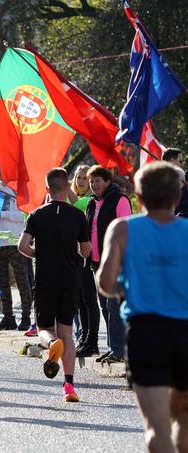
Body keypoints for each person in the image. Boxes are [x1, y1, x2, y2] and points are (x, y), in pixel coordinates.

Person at [97, 162, 188, 452]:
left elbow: (107, 283)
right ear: (177, 196)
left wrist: (130, 285)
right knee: (185, 418)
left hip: (146, 330)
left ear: (138, 195)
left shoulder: (123, 228)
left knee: (156, 426)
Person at [18, 168, 91, 403]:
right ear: (67, 185)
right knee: (67, 332)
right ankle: (69, 386)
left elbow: (22, 246)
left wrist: (39, 253)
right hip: (70, 279)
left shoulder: (37, 215)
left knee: (44, 329)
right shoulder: (78, 216)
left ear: (47, 188)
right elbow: (86, 250)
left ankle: (51, 344)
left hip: (46, 279)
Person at [86, 165, 132, 364]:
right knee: (104, 305)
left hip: (115, 261)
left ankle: (119, 351)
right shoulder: (91, 203)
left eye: (97, 181)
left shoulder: (119, 200)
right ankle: (114, 347)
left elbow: (127, 229)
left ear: (107, 182)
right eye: (91, 181)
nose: (94, 184)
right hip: (97, 262)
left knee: (113, 307)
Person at [67, 165, 99, 358]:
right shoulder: (71, 199)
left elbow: (79, 205)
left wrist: (63, 192)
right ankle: (83, 337)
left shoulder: (90, 201)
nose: (80, 181)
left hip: (87, 254)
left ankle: (91, 340)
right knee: (79, 300)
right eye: (78, 177)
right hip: (73, 255)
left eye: (84, 178)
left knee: (89, 299)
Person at [0, 181, 33, 331]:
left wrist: (3, 214)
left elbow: (24, 215)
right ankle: (8, 317)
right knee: (3, 283)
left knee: (22, 281)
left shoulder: (19, 189)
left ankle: (26, 317)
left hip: (15, 241)